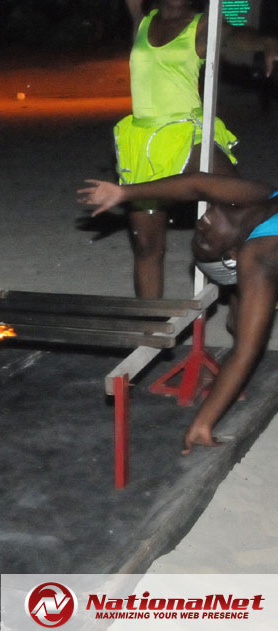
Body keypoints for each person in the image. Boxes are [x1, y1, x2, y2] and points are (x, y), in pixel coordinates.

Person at [79, 172, 278, 454]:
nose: (201, 225)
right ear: (234, 253)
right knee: (244, 324)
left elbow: (196, 183)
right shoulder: (260, 256)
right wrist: (204, 423)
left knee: (244, 322)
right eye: (206, 240)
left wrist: (123, 194)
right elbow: (247, 350)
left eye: (199, 235)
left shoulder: (256, 195)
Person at [115, 0, 278, 299]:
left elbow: (233, 35)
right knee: (147, 245)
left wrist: (266, 40)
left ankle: (248, 307)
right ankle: (151, 331)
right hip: (143, 143)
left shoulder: (201, 24)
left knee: (241, 208)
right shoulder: (142, 18)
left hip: (186, 134)